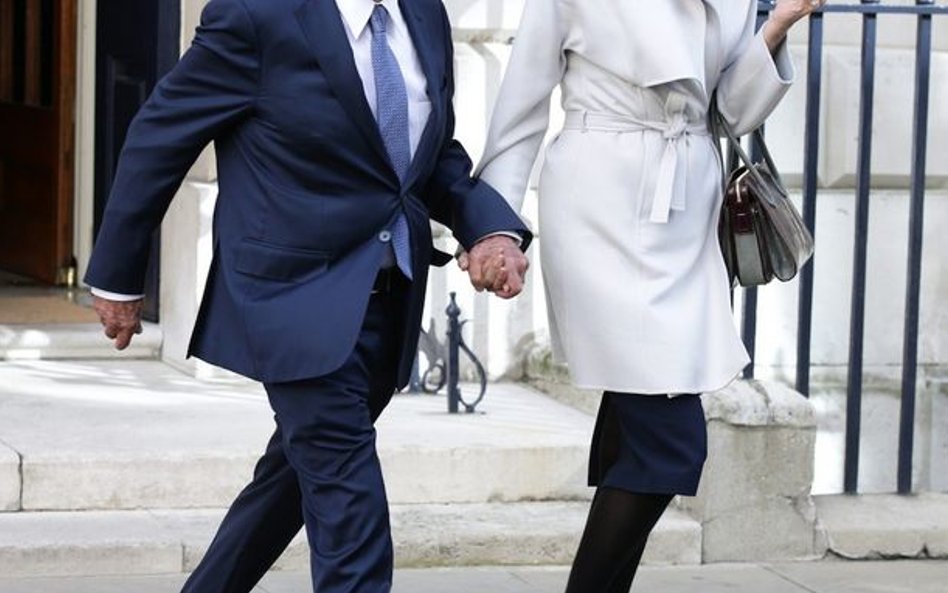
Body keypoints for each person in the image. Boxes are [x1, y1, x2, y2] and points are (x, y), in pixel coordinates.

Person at [84, 0, 531, 592]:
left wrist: (490, 229)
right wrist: (118, 276)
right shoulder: (255, 15)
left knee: (292, 481)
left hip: (386, 299)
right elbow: (161, 134)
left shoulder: (423, 13)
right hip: (290, 297)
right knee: (351, 508)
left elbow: (433, 155)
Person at [474, 1, 823, 591]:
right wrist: (495, 228)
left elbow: (729, 113)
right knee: (670, 442)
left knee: (640, 432)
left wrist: (777, 26)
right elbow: (521, 106)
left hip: (684, 212)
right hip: (600, 207)